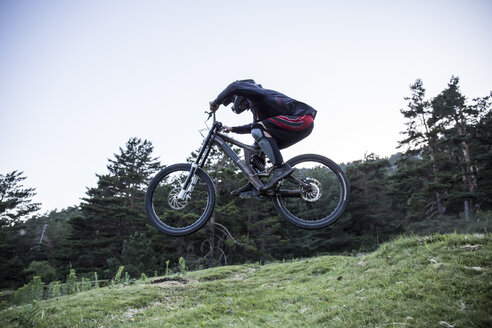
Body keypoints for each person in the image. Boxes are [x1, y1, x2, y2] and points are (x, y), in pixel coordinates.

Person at [209, 79, 317, 196]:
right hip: (295, 126)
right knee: (254, 149)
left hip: (302, 119)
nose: (242, 107)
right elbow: (253, 128)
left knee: (258, 130)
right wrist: (233, 129)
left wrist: (216, 102)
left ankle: (281, 167)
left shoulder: (258, 94)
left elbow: (235, 86)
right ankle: (255, 183)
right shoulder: (257, 110)